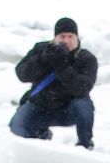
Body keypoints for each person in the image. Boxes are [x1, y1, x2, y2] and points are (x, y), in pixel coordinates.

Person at [8, 17, 98, 149]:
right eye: (62, 36)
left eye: (70, 36)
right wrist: (43, 59)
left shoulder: (86, 58)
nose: (66, 40)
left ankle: (85, 144)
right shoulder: (41, 49)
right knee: (16, 128)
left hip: (69, 109)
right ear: (55, 38)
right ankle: (38, 136)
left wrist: (62, 66)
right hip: (40, 105)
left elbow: (82, 88)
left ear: (76, 38)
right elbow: (22, 74)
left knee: (85, 106)